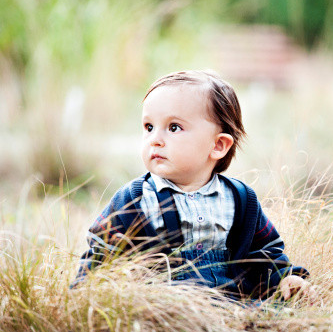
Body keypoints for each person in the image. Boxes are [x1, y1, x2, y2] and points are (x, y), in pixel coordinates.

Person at [71, 70, 315, 302]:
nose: (155, 139)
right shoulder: (135, 199)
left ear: (218, 145)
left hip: (232, 305)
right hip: (161, 309)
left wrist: (284, 277)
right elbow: (102, 251)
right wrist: (84, 292)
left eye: (174, 127)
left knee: (268, 314)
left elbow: (264, 252)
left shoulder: (239, 200)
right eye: (149, 127)